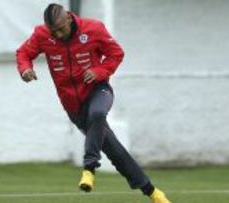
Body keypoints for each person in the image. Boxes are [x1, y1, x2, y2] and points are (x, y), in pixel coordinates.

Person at [15, 3, 171, 203]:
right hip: (73, 106)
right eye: (53, 32)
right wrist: (25, 69)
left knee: (97, 114)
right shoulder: (42, 34)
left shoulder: (93, 29)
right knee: (116, 152)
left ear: (69, 19)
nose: (58, 35)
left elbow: (116, 53)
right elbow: (23, 53)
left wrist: (99, 72)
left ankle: (89, 168)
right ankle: (154, 194)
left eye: (61, 29)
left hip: (98, 91)